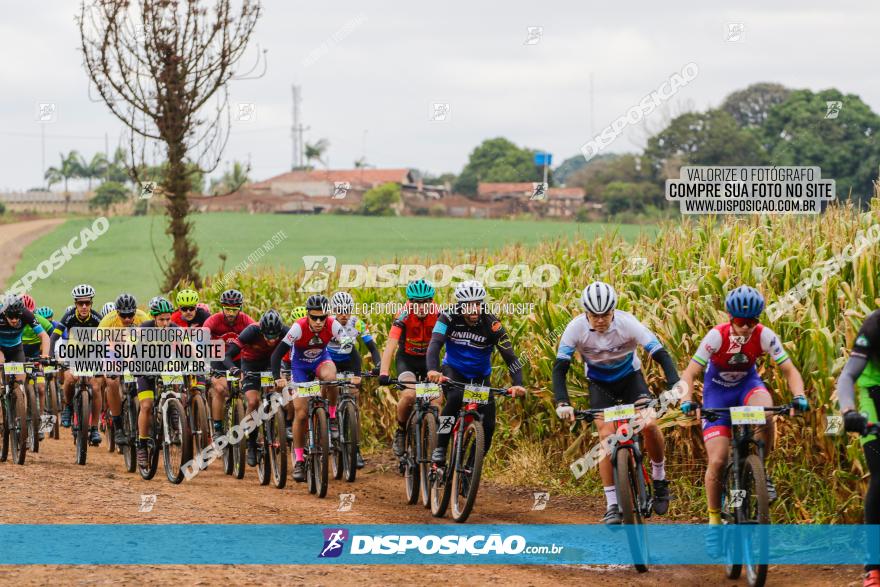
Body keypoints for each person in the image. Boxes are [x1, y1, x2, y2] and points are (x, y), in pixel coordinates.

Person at [678, 286, 808, 531]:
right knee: (717, 460)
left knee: (767, 413)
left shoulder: (764, 335)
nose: (746, 328)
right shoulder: (716, 336)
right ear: (730, 319)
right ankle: (714, 519)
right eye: (740, 322)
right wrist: (686, 399)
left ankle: (760, 469)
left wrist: (799, 395)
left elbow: (789, 369)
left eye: (752, 321)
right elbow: (690, 373)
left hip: (747, 386)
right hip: (717, 393)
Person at [553, 281, 682, 524]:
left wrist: (674, 383)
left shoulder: (628, 323)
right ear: (585, 313)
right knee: (606, 437)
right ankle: (612, 504)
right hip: (601, 386)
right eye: (594, 315)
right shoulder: (574, 329)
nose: (600, 320)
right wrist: (562, 402)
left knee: (650, 424)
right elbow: (560, 368)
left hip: (631, 380)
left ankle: (659, 479)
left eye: (605, 314)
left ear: (614, 311)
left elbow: (660, 353)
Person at [427, 280, 526, 465]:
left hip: (480, 377)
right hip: (454, 371)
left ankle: (471, 467)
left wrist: (518, 383)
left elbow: (511, 357)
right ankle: (440, 447)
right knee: (455, 398)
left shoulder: (492, 324)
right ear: (460, 305)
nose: (474, 309)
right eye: (469, 305)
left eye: (478, 304)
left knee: (488, 426)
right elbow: (435, 344)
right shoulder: (447, 317)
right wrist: (433, 369)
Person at [271, 294, 346, 483]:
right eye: (315, 317)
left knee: (331, 378)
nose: (319, 322)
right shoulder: (298, 327)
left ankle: (331, 415)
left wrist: (358, 374)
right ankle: (299, 460)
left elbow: (349, 349)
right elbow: (277, 354)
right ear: (308, 316)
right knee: (301, 413)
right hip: (300, 367)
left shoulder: (333, 325)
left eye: (323, 317)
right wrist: (277, 378)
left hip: (321, 361)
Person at [837, 307, 880, 586]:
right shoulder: (875, 324)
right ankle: (874, 567)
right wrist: (848, 411)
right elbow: (848, 376)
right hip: (874, 397)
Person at [378, 279, 440, 458]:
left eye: (425, 302)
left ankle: (437, 442)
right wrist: (384, 372)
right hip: (407, 360)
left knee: (436, 400)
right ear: (410, 302)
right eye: (416, 302)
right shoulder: (403, 315)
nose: (421, 307)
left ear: (431, 301)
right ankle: (401, 431)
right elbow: (390, 345)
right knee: (409, 395)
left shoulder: (438, 314)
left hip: (430, 361)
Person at [223, 309, 286, 467]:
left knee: (284, 389)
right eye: (268, 336)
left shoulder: (286, 331)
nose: (272, 340)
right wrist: (235, 370)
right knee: (253, 402)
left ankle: (284, 426)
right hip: (251, 365)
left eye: (275, 336)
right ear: (261, 331)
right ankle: (251, 443)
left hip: (273, 364)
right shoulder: (251, 331)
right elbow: (227, 356)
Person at [328, 291, 380, 469]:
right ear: (333, 310)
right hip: (330, 361)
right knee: (327, 388)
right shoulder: (328, 323)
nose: (343, 314)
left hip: (350, 360)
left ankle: (355, 449)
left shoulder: (356, 322)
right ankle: (327, 420)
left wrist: (379, 364)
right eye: (340, 310)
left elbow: (371, 347)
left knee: (353, 400)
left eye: (347, 310)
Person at [49, 284, 104, 444]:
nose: (84, 306)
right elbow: (54, 336)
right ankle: (67, 407)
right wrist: (51, 355)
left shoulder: (97, 318)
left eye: (87, 303)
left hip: (92, 353)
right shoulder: (68, 317)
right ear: (76, 304)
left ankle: (94, 428)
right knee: (70, 378)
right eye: (81, 303)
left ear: (91, 303)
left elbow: (105, 341)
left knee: (95, 386)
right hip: (73, 352)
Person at [132, 297, 180, 467]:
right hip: (144, 367)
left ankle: (174, 411)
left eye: (168, 319)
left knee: (176, 379)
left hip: (165, 367)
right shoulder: (144, 328)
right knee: (146, 405)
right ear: (154, 318)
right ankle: (142, 445)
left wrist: (200, 361)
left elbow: (188, 346)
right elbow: (131, 348)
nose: (166, 323)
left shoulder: (174, 328)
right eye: (162, 320)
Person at [99, 293, 150, 446]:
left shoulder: (143, 317)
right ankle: (118, 424)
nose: (127, 319)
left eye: (130, 315)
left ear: (135, 311)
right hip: (113, 351)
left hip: (135, 351)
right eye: (123, 315)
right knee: (112, 381)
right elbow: (97, 344)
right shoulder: (108, 320)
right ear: (117, 312)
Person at [203, 289, 255, 436]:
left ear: (240, 308)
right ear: (222, 307)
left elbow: (258, 335)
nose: (231, 313)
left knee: (246, 389)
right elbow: (200, 339)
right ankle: (218, 429)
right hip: (218, 358)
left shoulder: (246, 320)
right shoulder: (214, 320)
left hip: (239, 359)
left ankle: (247, 426)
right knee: (219, 390)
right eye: (227, 309)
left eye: (234, 309)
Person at [0, 295, 50, 410]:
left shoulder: (26, 314)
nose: (14, 320)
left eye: (17, 317)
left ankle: (21, 420)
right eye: (11, 317)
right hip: (0, 348)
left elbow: (44, 336)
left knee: (20, 384)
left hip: (16, 349)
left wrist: (45, 355)